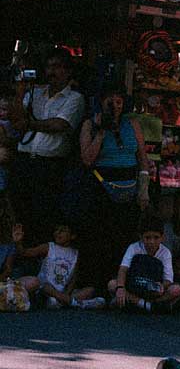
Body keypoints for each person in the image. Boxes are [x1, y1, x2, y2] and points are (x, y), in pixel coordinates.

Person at [7, 48, 85, 245]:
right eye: (49, 67)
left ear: (67, 71)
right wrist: (20, 93)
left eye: (57, 67)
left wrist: (30, 124)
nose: (52, 72)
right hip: (25, 161)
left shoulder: (74, 98)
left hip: (50, 166)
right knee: (18, 212)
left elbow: (60, 125)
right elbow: (16, 120)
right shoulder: (36, 93)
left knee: (43, 214)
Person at [76, 84, 150, 286]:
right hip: (102, 188)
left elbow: (142, 159)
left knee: (124, 238)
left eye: (119, 102)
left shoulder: (132, 124)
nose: (115, 106)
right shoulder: (90, 125)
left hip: (129, 188)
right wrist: (101, 131)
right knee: (101, 238)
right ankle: (96, 286)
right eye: (111, 102)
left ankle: (120, 284)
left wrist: (144, 190)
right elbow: (87, 159)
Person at [13, 220, 104, 309]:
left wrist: (66, 294)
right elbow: (25, 253)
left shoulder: (75, 253)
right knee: (46, 287)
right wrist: (18, 242)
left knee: (90, 290)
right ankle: (76, 303)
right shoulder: (49, 247)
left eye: (63, 230)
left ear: (72, 236)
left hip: (62, 291)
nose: (58, 232)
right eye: (56, 230)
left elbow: (73, 277)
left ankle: (60, 301)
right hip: (45, 291)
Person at [109, 213, 180, 312]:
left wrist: (161, 286)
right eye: (148, 238)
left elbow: (168, 279)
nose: (152, 242)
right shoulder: (134, 248)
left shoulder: (165, 252)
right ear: (141, 237)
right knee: (113, 285)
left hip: (153, 290)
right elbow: (123, 269)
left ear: (162, 237)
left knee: (176, 290)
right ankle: (146, 305)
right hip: (134, 286)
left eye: (156, 237)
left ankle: (142, 304)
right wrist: (121, 287)